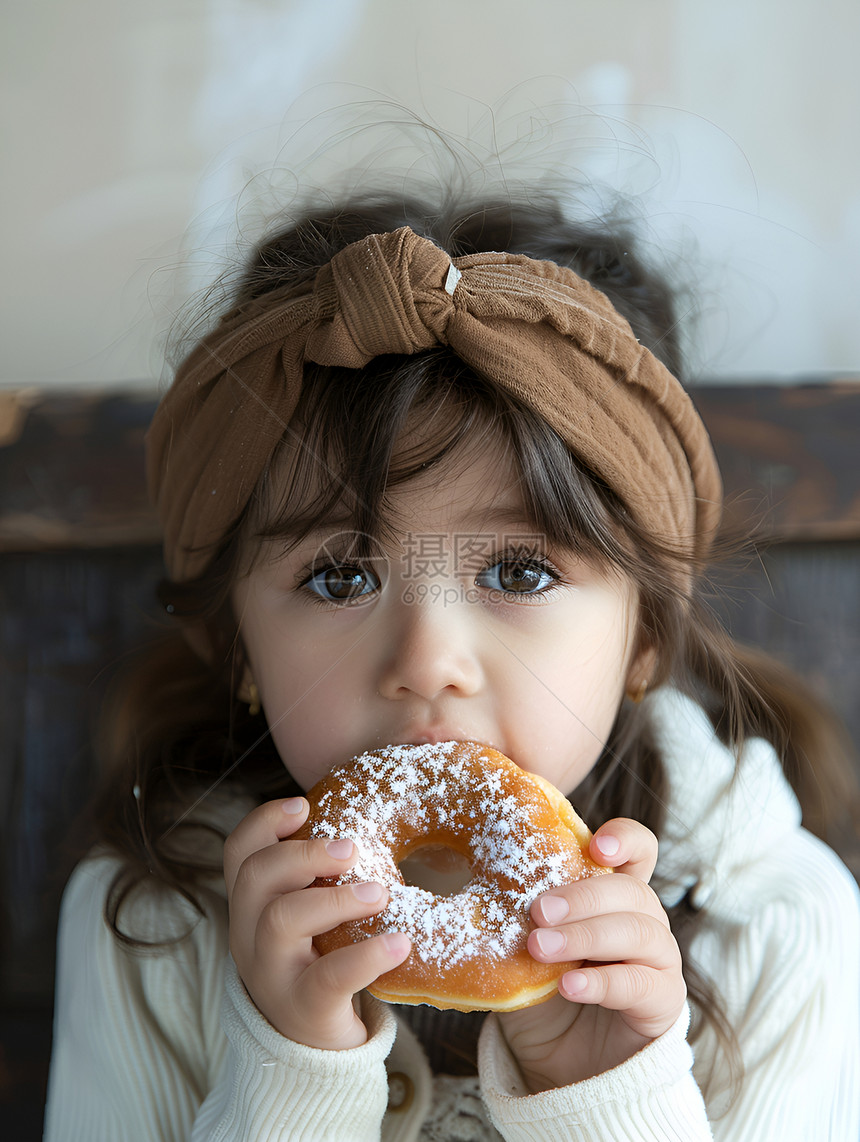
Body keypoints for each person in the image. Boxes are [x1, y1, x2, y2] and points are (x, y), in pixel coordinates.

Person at [44, 194, 860, 1141]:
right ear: (236, 649)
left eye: (519, 570)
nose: (428, 663)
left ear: (645, 636)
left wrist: (609, 1097)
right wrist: (289, 1075)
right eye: (341, 576)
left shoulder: (779, 928)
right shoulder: (149, 922)